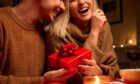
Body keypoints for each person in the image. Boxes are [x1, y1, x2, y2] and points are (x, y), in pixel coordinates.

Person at [0, 0, 76, 84]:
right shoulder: (2, 22)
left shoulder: (44, 31)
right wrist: (41, 81)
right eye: (61, 0)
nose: (63, 7)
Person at [46, 0, 120, 83]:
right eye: (72, 0)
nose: (81, 1)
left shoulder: (104, 26)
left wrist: (100, 72)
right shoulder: (57, 32)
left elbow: (115, 71)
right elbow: (76, 78)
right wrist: (94, 32)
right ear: (66, 6)